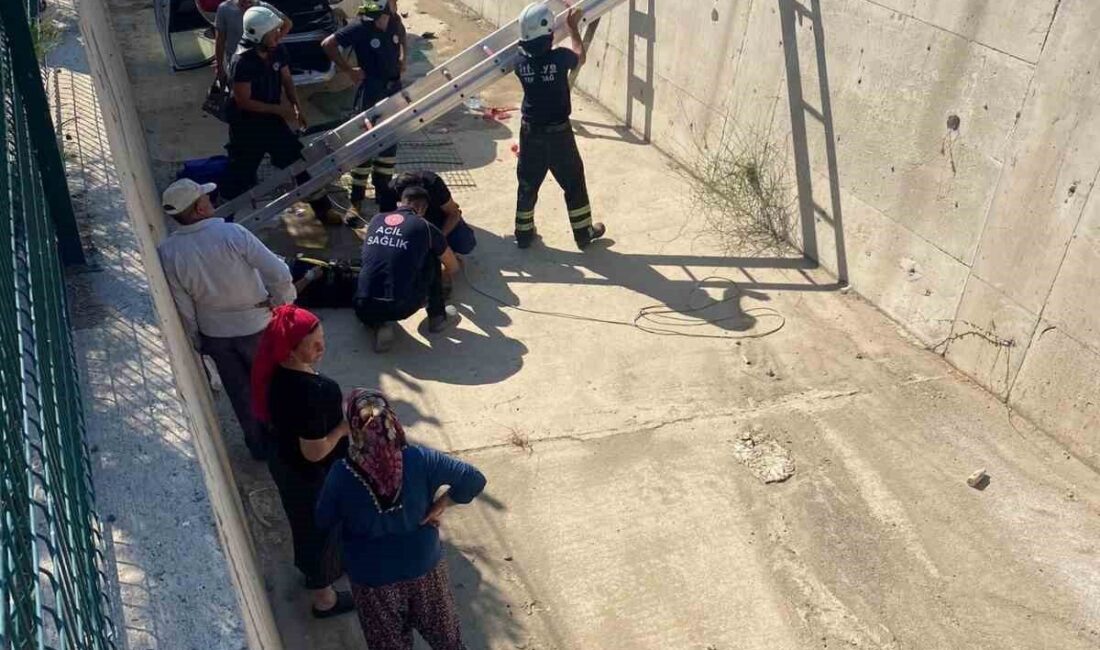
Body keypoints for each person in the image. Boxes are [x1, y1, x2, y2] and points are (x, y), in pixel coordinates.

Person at [316, 389, 486, 650]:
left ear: (354, 428)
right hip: (424, 567)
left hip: (372, 578)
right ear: (393, 422)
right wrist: (440, 505)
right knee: (447, 638)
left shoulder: (342, 474)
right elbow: (473, 479)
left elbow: (323, 519)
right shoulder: (420, 459)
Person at [157, 178, 296, 461]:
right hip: (256, 324)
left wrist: (197, 338)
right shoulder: (233, 234)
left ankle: (258, 447)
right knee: (271, 384)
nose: (212, 201)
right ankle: (284, 441)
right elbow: (279, 273)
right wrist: (283, 301)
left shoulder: (168, 251)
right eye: (206, 199)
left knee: (241, 393)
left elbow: (183, 304)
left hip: (214, 333)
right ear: (199, 209)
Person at [250, 305, 356, 619]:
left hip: (284, 462)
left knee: (306, 524)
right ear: (292, 349)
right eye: (314, 345)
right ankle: (324, 598)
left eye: (322, 339)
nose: (323, 348)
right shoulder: (315, 392)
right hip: (310, 473)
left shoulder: (273, 371)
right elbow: (315, 451)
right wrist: (343, 428)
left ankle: (326, 567)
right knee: (318, 531)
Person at [220, 6, 342, 225]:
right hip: (246, 125)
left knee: (296, 160)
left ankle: (323, 210)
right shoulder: (242, 61)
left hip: (271, 119)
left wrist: (296, 107)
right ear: (258, 35)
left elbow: (286, 80)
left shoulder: (276, 50)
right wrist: (280, 110)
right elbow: (243, 101)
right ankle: (221, 218)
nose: (279, 34)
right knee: (241, 171)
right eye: (273, 32)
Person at [513, 3, 605, 250]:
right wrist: (572, 27)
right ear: (549, 34)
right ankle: (583, 233)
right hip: (559, 135)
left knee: (527, 182)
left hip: (530, 133)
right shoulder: (561, 58)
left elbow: (525, 51)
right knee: (573, 181)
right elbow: (580, 55)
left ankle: (523, 234)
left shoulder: (519, 64)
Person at [322, 0, 407, 216]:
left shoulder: (394, 21)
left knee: (389, 144)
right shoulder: (360, 26)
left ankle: (384, 195)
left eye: (378, 16)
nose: (375, 21)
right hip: (371, 91)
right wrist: (348, 70)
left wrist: (403, 57)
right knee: (364, 146)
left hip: (393, 90)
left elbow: (402, 33)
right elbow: (328, 44)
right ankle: (356, 200)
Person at [354, 186, 461, 352]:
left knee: (378, 260)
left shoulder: (376, 220)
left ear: (399, 203)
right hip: (402, 306)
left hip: (362, 306)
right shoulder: (425, 227)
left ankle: (379, 326)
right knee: (433, 256)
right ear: (422, 208)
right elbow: (452, 266)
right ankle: (438, 317)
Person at [390, 171, 477, 256]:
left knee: (465, 243)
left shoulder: (433, 183)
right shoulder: (390, 191)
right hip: (408, 223)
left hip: (438, 218)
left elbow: (453, 213)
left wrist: (438, 239)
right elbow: (388, 223)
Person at [213, 0, 290, 83]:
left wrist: (274, 41)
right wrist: (219, 66)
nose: (246, 4)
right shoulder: (224, 9)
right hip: (237, 62)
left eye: (249, 2)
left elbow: (287, 23)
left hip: (261, 60)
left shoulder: (263, 8)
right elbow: (220, 40)